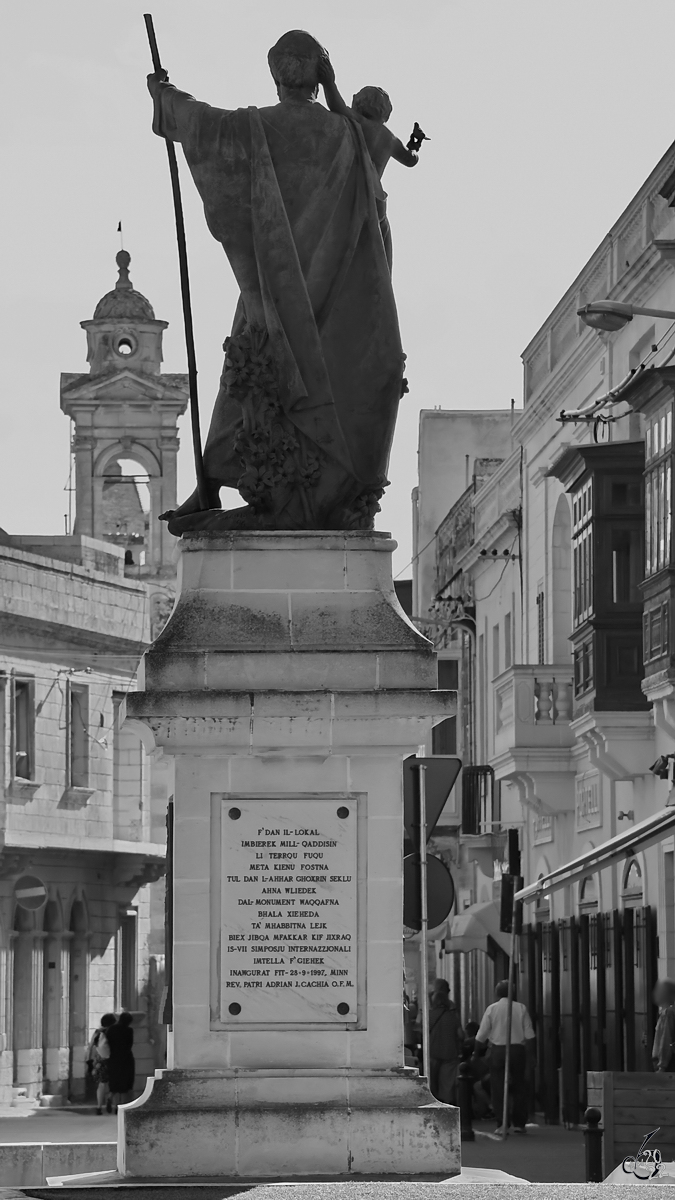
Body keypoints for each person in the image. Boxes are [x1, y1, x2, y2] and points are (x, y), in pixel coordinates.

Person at [147, 30, 407, 534]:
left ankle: (212, 486)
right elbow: (378, 208)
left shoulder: (252, 128)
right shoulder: (350, 135)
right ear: (320, 74)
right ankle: (234, 491)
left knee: (245, 383)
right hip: (332, 296)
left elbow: (201, 124)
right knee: (278, 382)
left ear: (275, 74)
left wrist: (164, 96)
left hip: (273, 293)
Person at [318, 58, 419, 270]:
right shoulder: (390, 138)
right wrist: (415, 144)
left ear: (358, 102)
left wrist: (329, 82)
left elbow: (335, 105)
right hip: (376, 204)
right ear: (385, 114)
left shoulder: (358, 122)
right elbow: (410, 160)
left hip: (352, 196)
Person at [474, 980, 535, 1134]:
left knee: (498, 1087)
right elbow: (530, 1036)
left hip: (498, 1051)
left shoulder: (491, 1009)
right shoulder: (521, 1008)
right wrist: (531, 1056)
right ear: (512, 993)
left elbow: (480, 1037)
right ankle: (519, 1123)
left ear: (497, 993)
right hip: (517, 1050)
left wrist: (476, 1055)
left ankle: (502, 1123)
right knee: (519, 1086)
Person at [428, 979, 464, 1104]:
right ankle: (446, 1105)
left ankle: (433, 1103)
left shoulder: (429, 1016)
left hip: (433, 1054)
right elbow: (460, 1034)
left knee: (432, 1082)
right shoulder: (452, 1015)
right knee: (447, 1084)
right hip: (449, 1054)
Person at [86, 1012, 116, 1114]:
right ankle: (111, 1099)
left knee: (101, 1085)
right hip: (112, 1060)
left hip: (100, 1061)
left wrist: (90, 1062)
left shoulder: (97, 1032)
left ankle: (99, 1107)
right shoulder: (112, 1031)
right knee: (114, 1084)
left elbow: (91, 1047)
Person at [106, 1011, 135, 1111]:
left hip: (113, 1058)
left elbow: (108, 1043)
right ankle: (119, 1106)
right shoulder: (129, 1030)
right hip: (126, 1058)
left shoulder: (111, 1029)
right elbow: (129, 1044)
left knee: (114, 1081)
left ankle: (110, 1097)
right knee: (124, 1083)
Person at [652, 978, 675, 1072]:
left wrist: (662, 1066)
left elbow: (666, 1040)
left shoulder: (668, 1014)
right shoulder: (665, 1013)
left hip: (667, 1065)